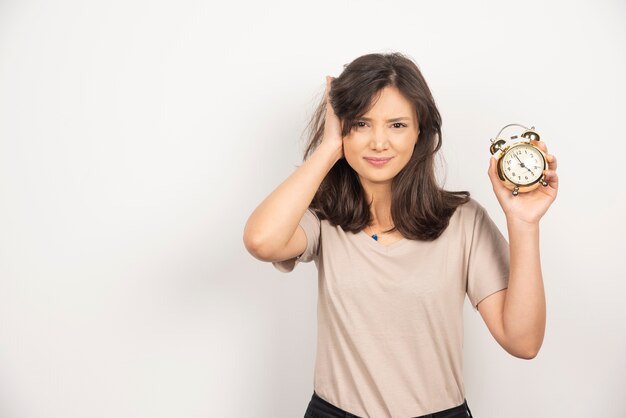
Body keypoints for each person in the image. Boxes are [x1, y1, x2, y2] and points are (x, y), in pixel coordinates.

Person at [243, 52, 558, 418]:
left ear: (419, 132)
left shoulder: (463, 221)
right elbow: (261, 241)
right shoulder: (324, 220)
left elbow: (523, 341)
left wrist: (524, 223)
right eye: (361, 124)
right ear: (342, 126)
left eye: (396, 125)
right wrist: (329, 147)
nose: (379, 142)